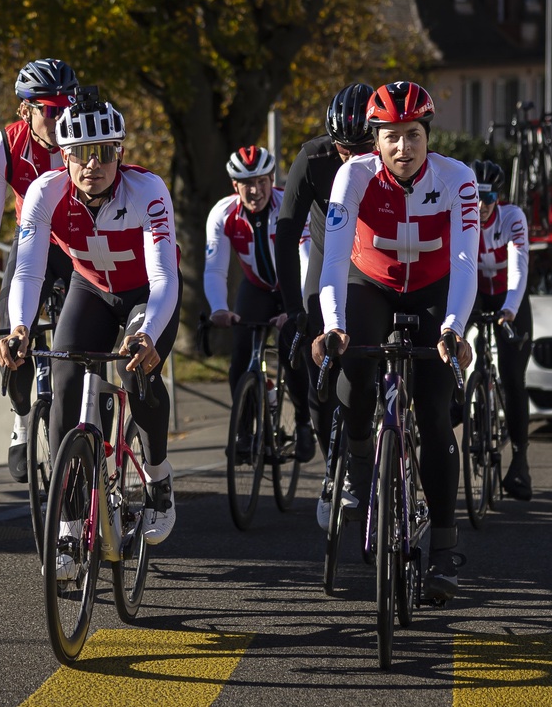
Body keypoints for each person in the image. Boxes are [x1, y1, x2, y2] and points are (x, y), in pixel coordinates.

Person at [0, 89, 182, 561]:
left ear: (118, 152)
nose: (90, 166)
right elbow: (29, 271)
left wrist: (148, 334)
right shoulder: (45, 193)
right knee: (63, 382)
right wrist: (19, 326)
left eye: (101, 154)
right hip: (91, 289)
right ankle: (69, 522)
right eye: (78, 154)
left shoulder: (149, 191)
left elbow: (163, 275)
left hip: (147, 293)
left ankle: (158, 478)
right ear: (64, 155)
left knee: (137, 372)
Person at [312, 80, 479, 600]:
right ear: (375, 139)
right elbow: (334, 260)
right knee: (355, 371)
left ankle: (445, 552)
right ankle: (361, 465)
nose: (402, 148)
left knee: (433, 414)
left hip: (433, 288)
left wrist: (453, 328)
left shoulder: (459, 179)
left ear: (427, 136)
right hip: (371, 282)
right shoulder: (352, 176)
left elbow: (466, 264)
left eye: (413, 135)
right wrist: (333, 324)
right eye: (391, 137)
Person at [0, 58, 79, 482]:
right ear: (25, 110)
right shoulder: (5, 147)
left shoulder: (86, 135)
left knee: (81, 342)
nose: (62, 117)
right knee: (14, 330)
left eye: (68, 105)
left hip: (80, 247)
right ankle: (23, 420)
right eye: (50, 109)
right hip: (31, 246)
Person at [274, 82, 377, 529]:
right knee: (311, 354)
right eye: (343, 148)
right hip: (328, 254)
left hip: (381, 259)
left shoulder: (394, 154)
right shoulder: (313, 158)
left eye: (364, 147)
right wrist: (293, 307)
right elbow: (283, 232)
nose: (353, 158)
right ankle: (332, 464)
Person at [204, 146, 314, 461]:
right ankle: (244, 431)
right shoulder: (222, 215)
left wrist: (297, 309)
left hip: (293, 286)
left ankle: (304, 423)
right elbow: (215, 268)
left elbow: (305, 261)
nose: (256, 190)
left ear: (271, 180)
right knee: (240, 354)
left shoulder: (289, 206)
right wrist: (218, 309)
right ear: (234, 186)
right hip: (257, 289)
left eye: (263, 181)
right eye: (247, 183)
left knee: (290, 346)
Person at [469, 160, 534, 502]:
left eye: (489, 197)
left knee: (512, 378)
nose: (480, 206)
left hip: (510, 295)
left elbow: (519, 265)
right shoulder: (460, 213)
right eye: (476, 197)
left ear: (499, 196)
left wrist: (509, 309)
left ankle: (520, 461)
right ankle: (457, 400)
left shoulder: (512, 218)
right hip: (475, 290)